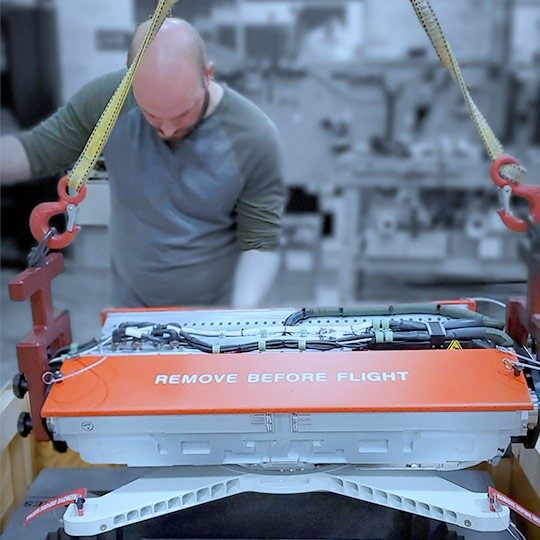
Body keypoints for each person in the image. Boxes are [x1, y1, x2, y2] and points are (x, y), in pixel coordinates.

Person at [0, 18, 285, 308]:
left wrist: (238, 315)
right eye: (152, 114)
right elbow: (33, 151)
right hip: (132, 315)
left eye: (182, 113)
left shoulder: (253, 134)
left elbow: (260, 242)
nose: (169, 130)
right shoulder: (110, 101)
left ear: (207, 75)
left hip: (217, 315)